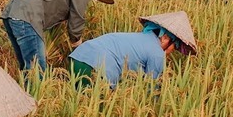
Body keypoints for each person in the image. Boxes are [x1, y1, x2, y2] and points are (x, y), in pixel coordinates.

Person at [0, 0, 114, 73]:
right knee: (37, 69)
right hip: (28, 17)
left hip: (11, 14)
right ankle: (36, 92)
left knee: (27, 67)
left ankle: (24, 91)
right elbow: (77, 20)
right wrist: (78, 47)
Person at [67, 11, 197, 89]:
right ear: (165, 39)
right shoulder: (157, 53)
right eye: (174, 47)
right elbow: (152, 86)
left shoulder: (135, 38)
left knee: (79, 103)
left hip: (77, 57)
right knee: (96, 110)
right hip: (96, 68)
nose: (171, 52)